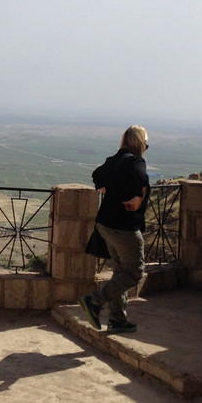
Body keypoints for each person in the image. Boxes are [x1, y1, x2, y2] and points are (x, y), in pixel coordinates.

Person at [78, 125, 150, 334]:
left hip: (105, 224)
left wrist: (107, 189)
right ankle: (94, 301)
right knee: (135, 272)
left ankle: (118, 319)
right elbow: (140, 177)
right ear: (138, 142)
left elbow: (96, 174)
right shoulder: (136, 162)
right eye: (146, 143)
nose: (146, 147)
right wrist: (138, 198)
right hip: (124, 226)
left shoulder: (114, 160)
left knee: (120, 272)